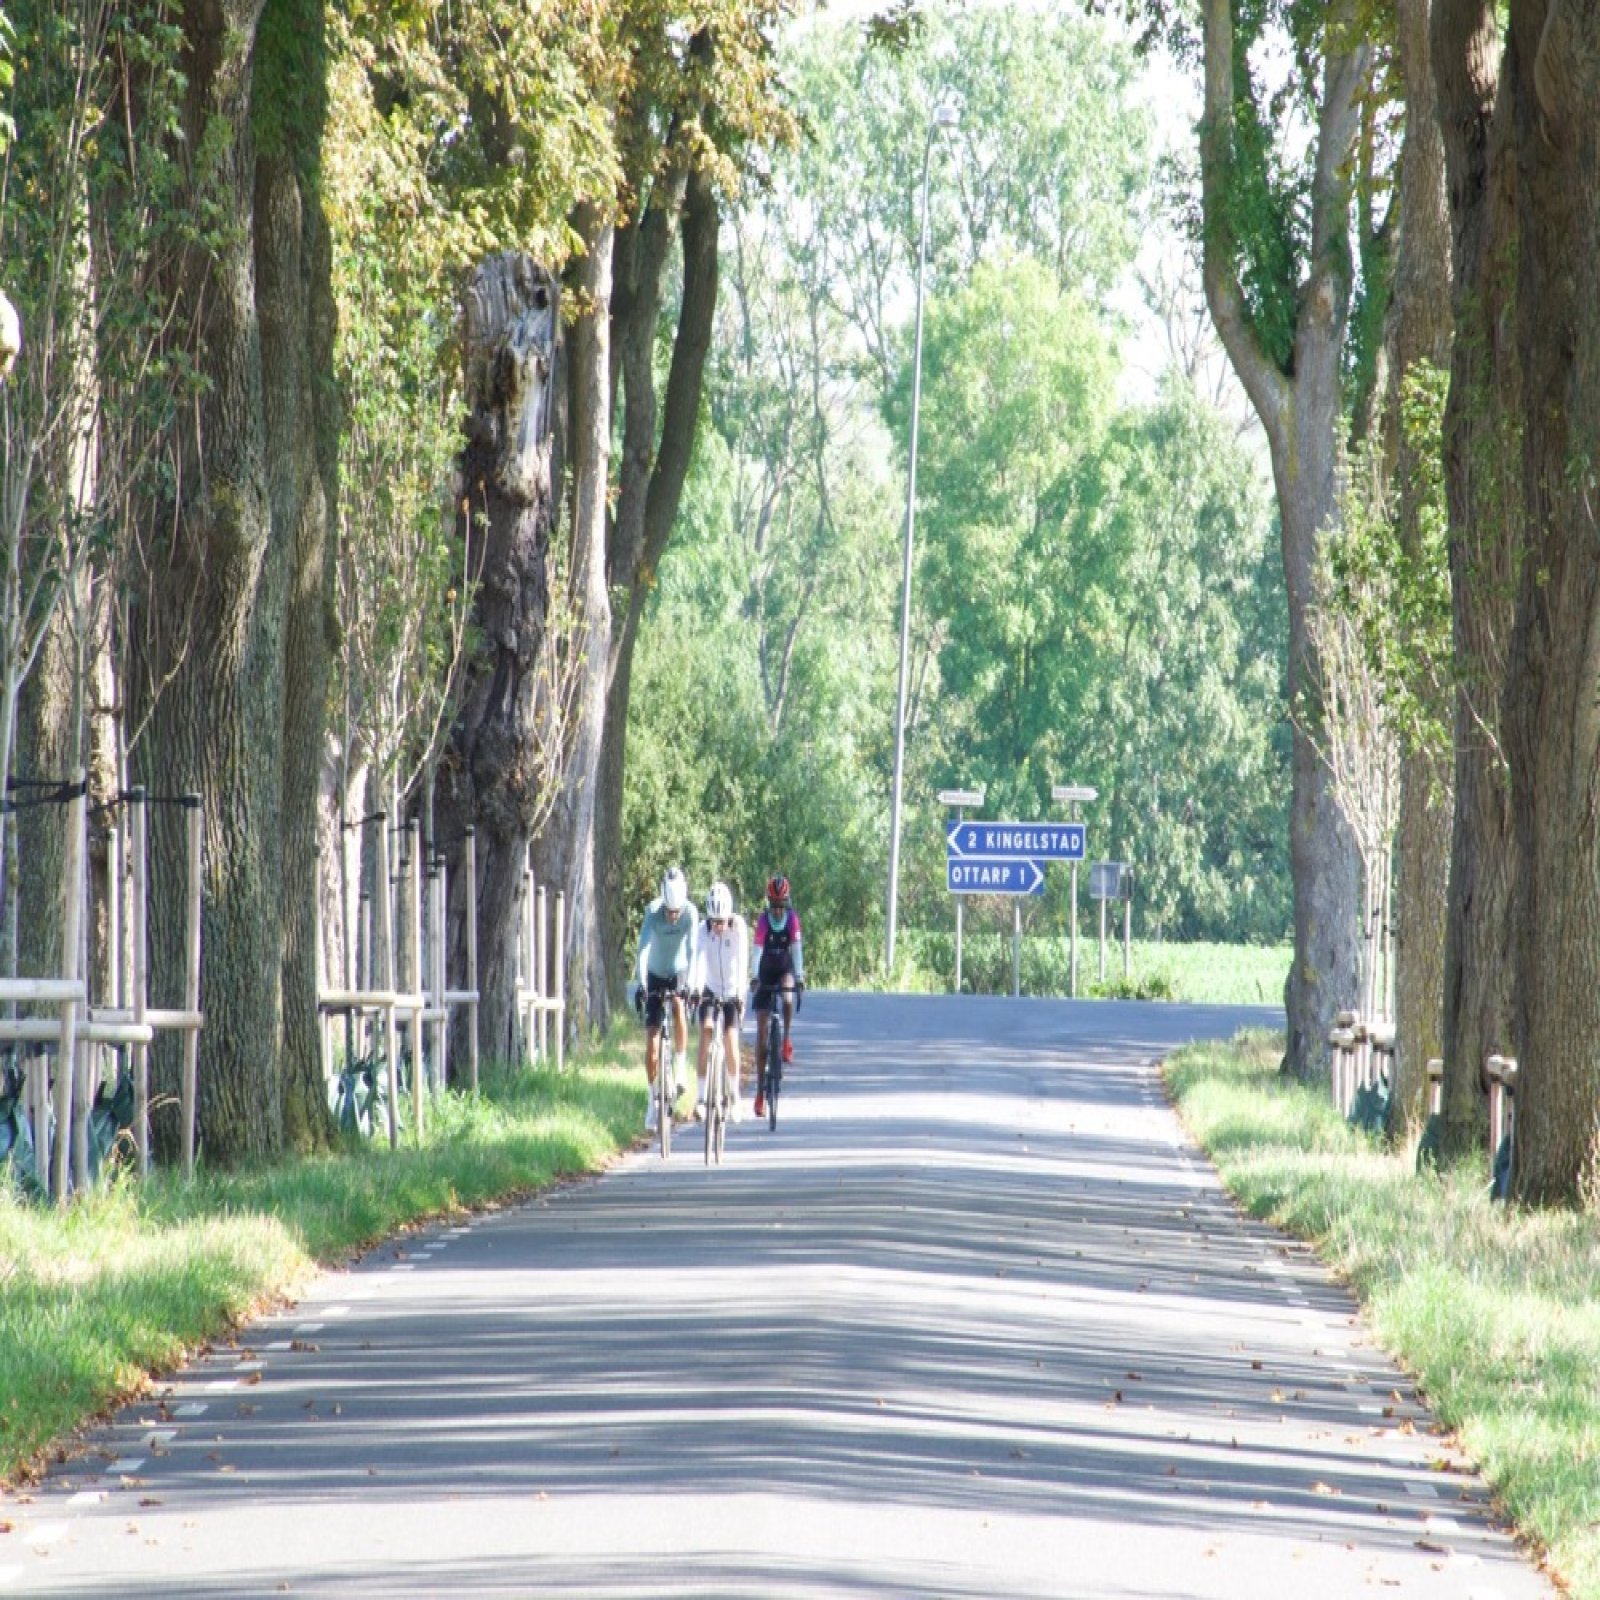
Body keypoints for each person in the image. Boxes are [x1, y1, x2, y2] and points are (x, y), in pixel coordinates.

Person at [632, 866, 698, 1131]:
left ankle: (680, 1068)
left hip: (679, 971)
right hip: (655, 973)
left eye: (676, 912)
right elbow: (643, 950)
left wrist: (691, 985)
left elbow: (693, 950)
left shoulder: (691, 913)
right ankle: (652, 1101)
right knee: (652, 1039)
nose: (672, 917)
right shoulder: (652, 912)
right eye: (669, 912)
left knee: (679, 1005)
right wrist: (641, 984)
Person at [688, 880, 749, 1122]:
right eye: (714, 921)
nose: (718, 927)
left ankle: (734, 1096)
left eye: (721, 921)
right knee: (705, 1030)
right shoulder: (703, 930)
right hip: (711, 988)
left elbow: (743, 961)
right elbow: (698, 960)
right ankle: (701, 1097)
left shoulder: (738, 927)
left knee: (730, 1039)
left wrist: (741, 994)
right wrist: (694, 988)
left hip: (733, 990)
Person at [750, 872, 804, 1117]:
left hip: (784, 969)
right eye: (774, 906)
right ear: (769, 904)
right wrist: (753, 977)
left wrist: (800, 977)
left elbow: (797, 951)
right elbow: (757, 952)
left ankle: (785, 1040)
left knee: (788, 996)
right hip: (765, 972)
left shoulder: (792, 921)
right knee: (761, 1036)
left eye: (782, 906)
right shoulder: (763, 922)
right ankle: (760, 1092)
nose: (778, 911)